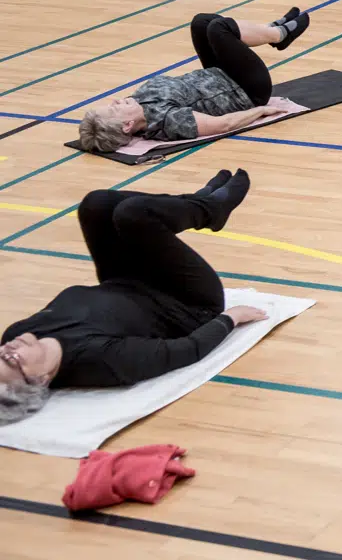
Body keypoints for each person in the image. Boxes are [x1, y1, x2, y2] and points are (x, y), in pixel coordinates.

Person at [0, 172, 269, 424]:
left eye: (0, 354)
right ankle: (209, 209)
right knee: (134, 214)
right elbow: (187, 350)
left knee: (97, 205)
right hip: (187, 302)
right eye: (12, 360)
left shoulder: (19, 333)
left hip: (124, 280)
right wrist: (231, 318)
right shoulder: (100, 361)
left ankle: (199, 204)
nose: (8, 348)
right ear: (40, 379)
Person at [76, 11, 310, 153]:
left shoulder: (136, 103)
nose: (116, 100)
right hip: (245, 87)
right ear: (127, 126)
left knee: (201, 23)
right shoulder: (169, 121)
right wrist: (260, 110)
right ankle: (279, 35)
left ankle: (267, 30)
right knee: (219, 29)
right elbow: (223, 125)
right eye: (114, 108)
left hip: (216, 74)